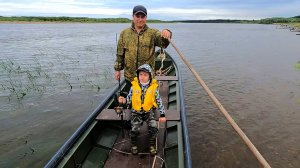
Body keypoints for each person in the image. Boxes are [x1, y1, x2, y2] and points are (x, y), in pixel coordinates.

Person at [114, 5, 172, 93]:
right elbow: (120, 53)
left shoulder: (153, 33)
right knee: (132, 102)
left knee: (147, 104)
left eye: (142, 17)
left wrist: (167, 32)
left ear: (146, 18)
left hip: (147, 78)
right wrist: (118, 69)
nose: (140, 19)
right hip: (130, 77)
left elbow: (163, 44)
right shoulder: (124, 33)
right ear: (133, 17)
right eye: (137, 16)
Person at [118, 64, 166, 156]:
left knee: (154, 127)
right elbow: (128, 100)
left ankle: (151, 145)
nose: (142, 77)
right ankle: (134, 144)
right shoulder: (133, 87)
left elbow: (159, 101)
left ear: (150, 76)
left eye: (145, 75)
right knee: (135, 128)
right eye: (141, 74)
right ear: (138, 75)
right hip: (136, 113)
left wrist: (162, 115)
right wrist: (123, 101)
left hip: (149, 112)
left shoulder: (154, 88)